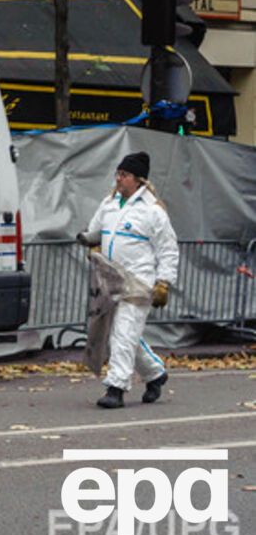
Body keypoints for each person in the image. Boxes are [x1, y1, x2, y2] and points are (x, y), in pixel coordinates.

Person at [77, 151, 177, 409]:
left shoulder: (153, 212)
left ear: (138, 180)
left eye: (124, 175)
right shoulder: (109, 204)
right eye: (118, 174)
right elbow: (96, 231)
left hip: (138, 281)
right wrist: (91, 241)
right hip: (110, 280)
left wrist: (164, 282)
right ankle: (155, 374)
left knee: (123, 333)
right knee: (121, 333)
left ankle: (116, 388)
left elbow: (168, 248)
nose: (119, 179)